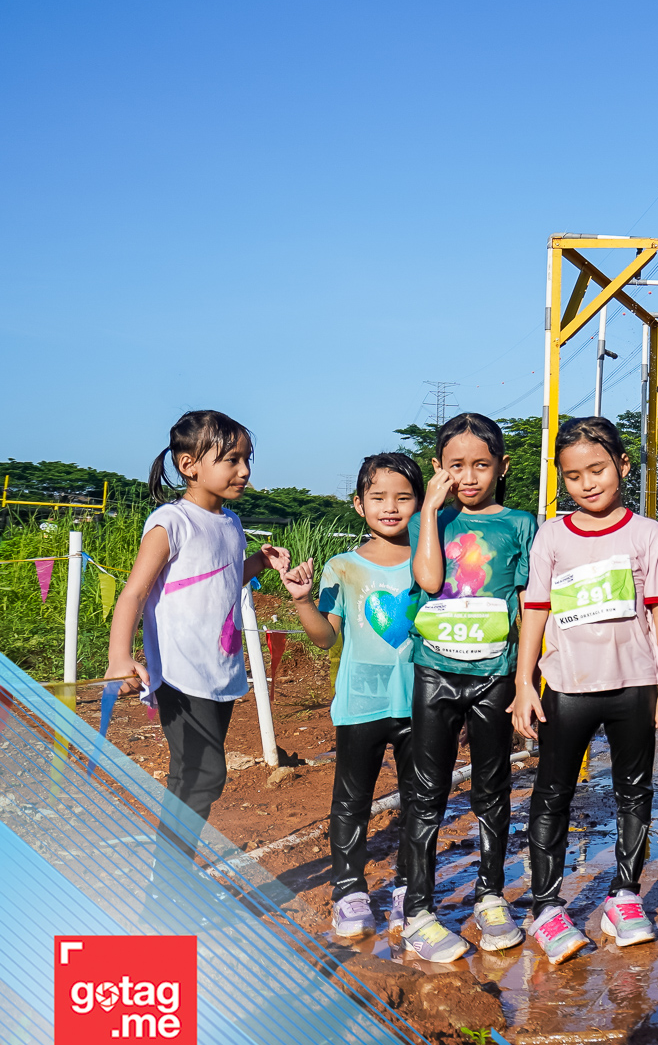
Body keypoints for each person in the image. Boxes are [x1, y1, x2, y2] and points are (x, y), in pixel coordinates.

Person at [510, 417, 658, 965]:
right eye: (573, 475)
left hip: (635, 685)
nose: (587, 483)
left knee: (635, 790)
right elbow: (535, 610)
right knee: (553, 793)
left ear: (622, 466)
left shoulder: (647, 534)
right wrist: (524, 682)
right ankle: (546, 908)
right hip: (568, 686)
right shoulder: (552, 536)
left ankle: (624, 897)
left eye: (598, 469)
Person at [106, 411, 291, 850]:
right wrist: (119, 657)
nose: (244, 471)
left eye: (247, 459)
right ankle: (169, 880)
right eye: (231, 460)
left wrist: (258, 562)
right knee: (203, 775)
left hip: (219, 668)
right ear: (189, 465)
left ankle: (170, 876)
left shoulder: (231, 523)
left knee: (191, 778)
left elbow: (221, 579)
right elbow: (134, 593)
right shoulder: (171, 522)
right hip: (180, 672)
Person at [401, 412, 538, 963]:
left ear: (502, 467)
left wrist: (528, 678)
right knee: (427, 790)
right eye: (456, 466)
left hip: (495, 675)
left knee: (492, 787)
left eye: (481, 465)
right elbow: (430, 580)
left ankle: (490, 895)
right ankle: (418, 909)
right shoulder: (428, 520)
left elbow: (529, 604)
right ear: (438, 468)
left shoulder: (521, 524)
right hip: (435, 672)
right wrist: (430, 510)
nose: (469, 476)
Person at [281, 453, 424, 940]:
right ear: (359, 504)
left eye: (403, 497)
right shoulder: (342, 567)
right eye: (378, 497)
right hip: (361, 702)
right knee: (352, 800)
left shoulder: (431, 562)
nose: (391, 507)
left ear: (420, 503)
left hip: (421, 702)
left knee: (419, 799)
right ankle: (348, 891)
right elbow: (326, 638)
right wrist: (302, 599)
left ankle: (410, 887)